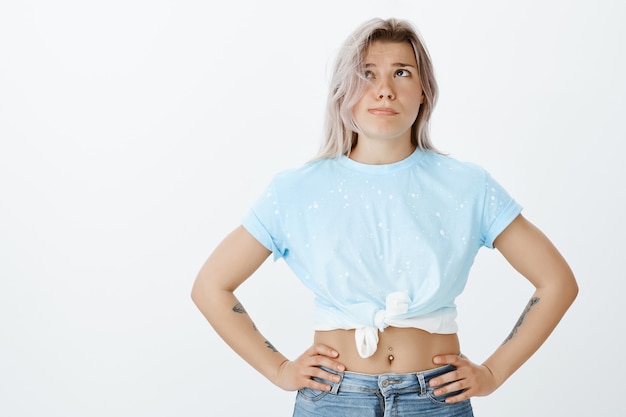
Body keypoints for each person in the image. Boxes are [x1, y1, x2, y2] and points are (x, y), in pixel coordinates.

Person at [191, 17, 578, 417]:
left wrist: (494, 373)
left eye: (402, 73)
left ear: (424, 90)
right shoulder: (296, 190)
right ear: (344, 90)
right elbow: (211, 286)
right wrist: (279, 369)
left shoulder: (467, 185)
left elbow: (556, 282)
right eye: (367, 74)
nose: (385, 90)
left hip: (436, 399)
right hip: (333, 399)